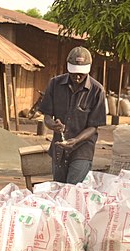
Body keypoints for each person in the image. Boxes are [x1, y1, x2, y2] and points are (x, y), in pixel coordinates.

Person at [38, 46, 106, 184]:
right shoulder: (55, 84)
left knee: (72, 190)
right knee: (59, 189)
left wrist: (76, 140)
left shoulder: (97, 90)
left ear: (89, 70)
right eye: (74, 72)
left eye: (81, 73)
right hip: (59, 150)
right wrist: (53, 125)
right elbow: (47, 117)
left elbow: (93, 127)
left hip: (82, 149)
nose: (77, 76)